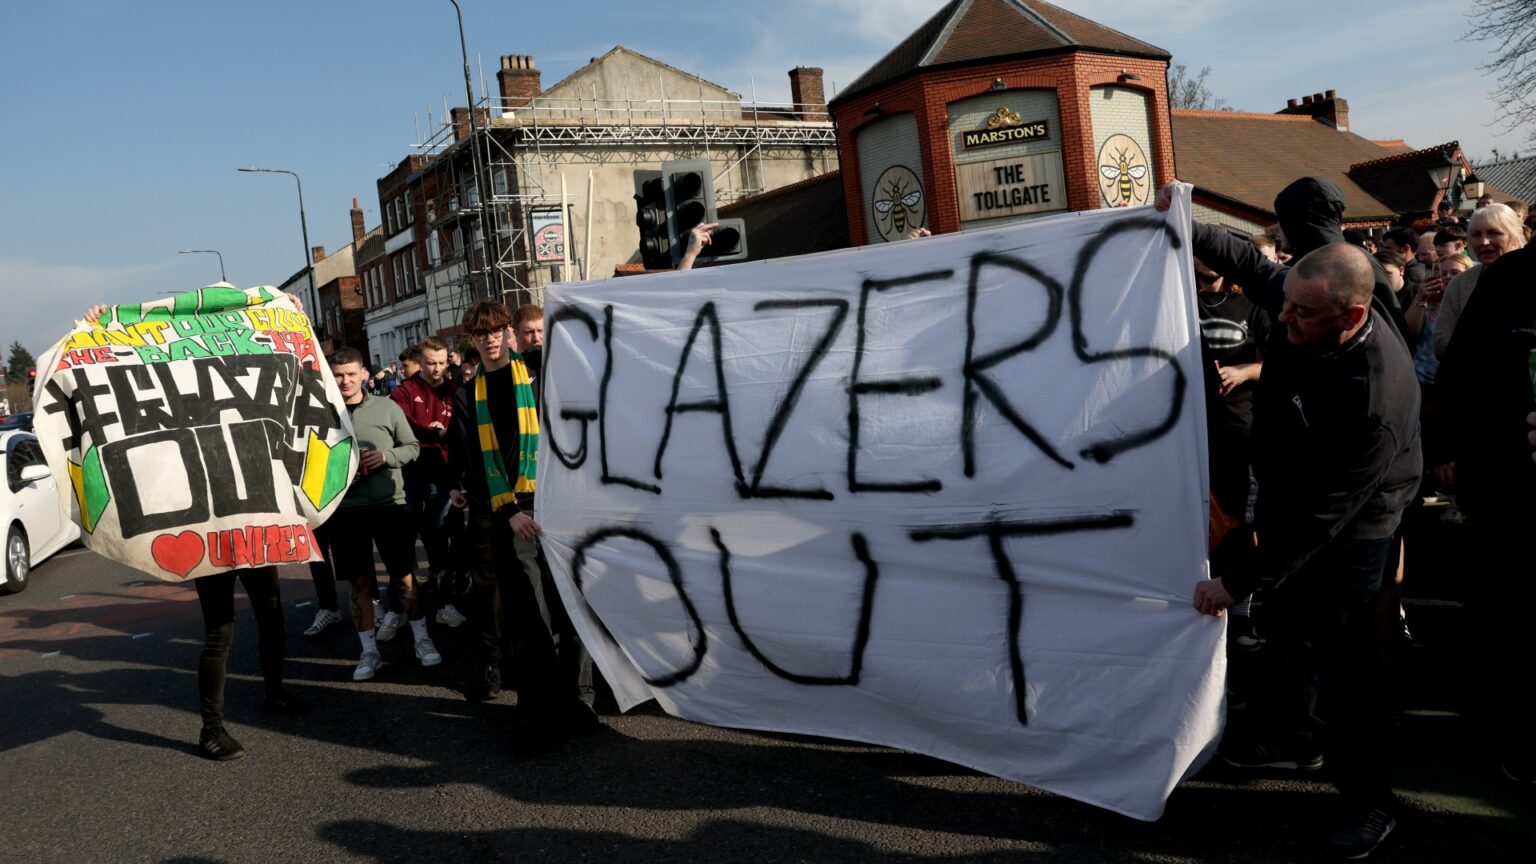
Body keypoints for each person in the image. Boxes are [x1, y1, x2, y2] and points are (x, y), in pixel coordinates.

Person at [1159, 184, 1422, 858]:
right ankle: (1292, 737)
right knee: (1286, 624)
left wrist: (1238, 580)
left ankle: (1371, 802)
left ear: (1352, 313)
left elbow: (1321, 518)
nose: (1285, 326)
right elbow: (1249, 263)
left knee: (1345, 656)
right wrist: (1179, 215)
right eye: (1285, 310)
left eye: (1303, 319)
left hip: (1357, 519)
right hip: (1293, 484)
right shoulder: (1302, 296)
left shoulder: (1375, 395)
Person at [83, 297, 310, 761]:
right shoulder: (182, 408)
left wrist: (287, 312)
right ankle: (212, 729)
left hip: (254, 519)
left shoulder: (241, 392)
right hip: (207, 527)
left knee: (271, 614)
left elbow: (286, 378)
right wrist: (100, 329)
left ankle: (274, 692)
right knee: (219, 631)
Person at [447, 300, 598, 744]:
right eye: (481, 334)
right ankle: (536, 710)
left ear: (509, 333)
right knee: (528, 617)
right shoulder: (465, 397)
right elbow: (474, 465)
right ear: (472, 341)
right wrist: (510, 512)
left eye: (497, 331)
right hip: (506, 517)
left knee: (572, 609)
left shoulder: (537, 375)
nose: (490, 339)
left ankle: (579, 701)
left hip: (558, 508)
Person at [1435, 243, 1536, 783]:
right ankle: (1510, 733)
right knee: (1508, 609)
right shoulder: (1508, 280)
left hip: (1503, 475)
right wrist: (1452, 450)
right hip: (1508, 478)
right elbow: (1459, 369)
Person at [328, 347, 440, 681]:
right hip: (345, 510)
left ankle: (422, 639)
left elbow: (412, 447)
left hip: (389, 505)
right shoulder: (321, 413)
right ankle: (369, 651)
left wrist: (385, 457)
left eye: (351, 373)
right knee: (358, 582)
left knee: (403, 575)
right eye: (338, 375)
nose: (345, 380)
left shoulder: (386, 406)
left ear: (364, 373)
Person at [390, 337, 467, 628]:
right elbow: (403, 425)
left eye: (442, 362)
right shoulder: (404, 391)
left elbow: (461, 430)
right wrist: (431, 432)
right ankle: (398, 608)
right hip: (409, 475)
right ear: (420, 362)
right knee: (403, 544)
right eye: (431, 363)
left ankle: (444, 603)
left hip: (443, 475)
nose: (437, 369)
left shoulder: (454, 391)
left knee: (439, 542)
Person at [1432, 203, 1526, 358]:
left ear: (1515, 236)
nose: (1484, 242)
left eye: (1494, 233)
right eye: (1476, 235)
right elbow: (1441, 345)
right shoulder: (1459, 283)